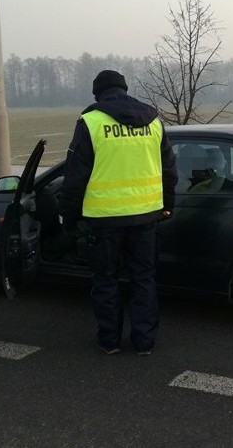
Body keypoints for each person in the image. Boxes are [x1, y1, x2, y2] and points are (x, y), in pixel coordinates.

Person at [58, 70, 177, 356]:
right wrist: (167, 206)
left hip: (105, 220)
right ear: (125, 89)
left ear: (97, 94)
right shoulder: (153, 120)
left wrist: (68, 216)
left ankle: (109, 341)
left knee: (106, 280)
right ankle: (144, 342)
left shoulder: (91, 121)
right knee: (144, 280)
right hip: (147, 216)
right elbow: (169, 170)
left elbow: (75, 177)